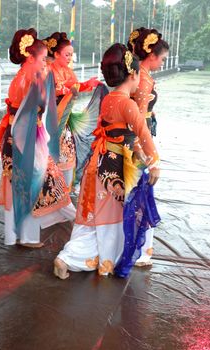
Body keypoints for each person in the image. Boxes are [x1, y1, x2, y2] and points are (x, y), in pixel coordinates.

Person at [54, 43, 161, 279]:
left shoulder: (109, 99)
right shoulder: (128, 103)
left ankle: (68, 257)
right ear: (132, 74)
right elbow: (143, 134)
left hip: (101, 161)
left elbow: (121, 133)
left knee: (98, 215)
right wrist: (154, 163)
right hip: (117, 167)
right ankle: (79, 259)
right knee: (113, 217)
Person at [0, 28, 76, 248]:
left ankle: (17, 233)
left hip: (17, 135)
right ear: (30, 58)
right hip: (25, 137)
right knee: (34, 184)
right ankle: (30, 234)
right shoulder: (32, 78)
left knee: (20, 184)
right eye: (43, 58)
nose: (45, 62)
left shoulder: (21, 77)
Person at [128, 28, 169, 266]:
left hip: (141, 138)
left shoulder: (140, 74)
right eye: (162, 58)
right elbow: (139, 121)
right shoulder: (142, 80)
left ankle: (139, 247)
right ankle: (141, 249)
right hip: (140, 142)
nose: (163, 63)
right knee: (141, 193)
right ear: (152, 55)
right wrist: (146, 154)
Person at [43, 32, 101, 190]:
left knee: (69, 152)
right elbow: (52, 90)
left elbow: (75, 86)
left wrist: (88, 84)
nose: (69, 58)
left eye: (71, 55)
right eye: (66, 55)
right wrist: (71, 89)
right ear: (56, 54)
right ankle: (52, 186)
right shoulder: (48, 70)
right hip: (51, 118)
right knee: (53, 152)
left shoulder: (68, 71)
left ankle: (64, 188)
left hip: (65, 117)